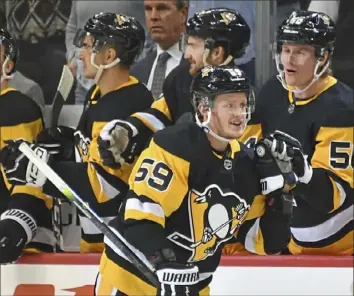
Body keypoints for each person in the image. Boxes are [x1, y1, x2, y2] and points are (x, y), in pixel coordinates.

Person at [92, 65, 298, 295]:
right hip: (131, 279)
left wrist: (282, 196)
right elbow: (139, 218)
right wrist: (165, 263)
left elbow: (266, 242)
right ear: (204, 109)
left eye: (242, 104)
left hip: (192, 286)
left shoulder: (245, 164)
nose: (239, 113)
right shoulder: (175, 147)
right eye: (229, 105)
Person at [0, 13, 155, 257]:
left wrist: (43, 171)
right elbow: (97, 153)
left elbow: (106, 185)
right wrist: (67, 144)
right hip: (99, 242)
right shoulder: (102, 95)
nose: (80, 54)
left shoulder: (122, 107)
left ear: (109, 56)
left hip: (121, 249)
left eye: (86, 46)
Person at [238, 10, 353, 255]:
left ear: (323, 58)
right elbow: (244, 157)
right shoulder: (272, 92)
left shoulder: (341, 109)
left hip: (336, 248)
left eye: (300, 51)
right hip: (284, 238)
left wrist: (302, 173)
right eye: (286, 49)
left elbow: (334, 197)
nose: (288, 60)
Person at [97, 7, 251, 169]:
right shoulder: (182, 77)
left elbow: (239, 162)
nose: (186, 54)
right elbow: (159, 113)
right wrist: (130, 129)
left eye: (193, 46)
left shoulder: (242, 100)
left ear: (216, 53)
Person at [0, 28, 54, 263]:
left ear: (8, 66)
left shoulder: (14, 108)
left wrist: (16, 225)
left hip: (13, 237)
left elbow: (27, 178)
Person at [65, 0, 147, 104]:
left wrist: (144, 61)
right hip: (85, 84)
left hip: (128, 77)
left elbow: (153, 20)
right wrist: (73, 56)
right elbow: (73, 26)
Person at [130, 0, 188, 98]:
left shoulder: (200, 67)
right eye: (148, 9)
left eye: (162, 8)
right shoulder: (135, 72)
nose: (153, 17)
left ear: (183, 14)